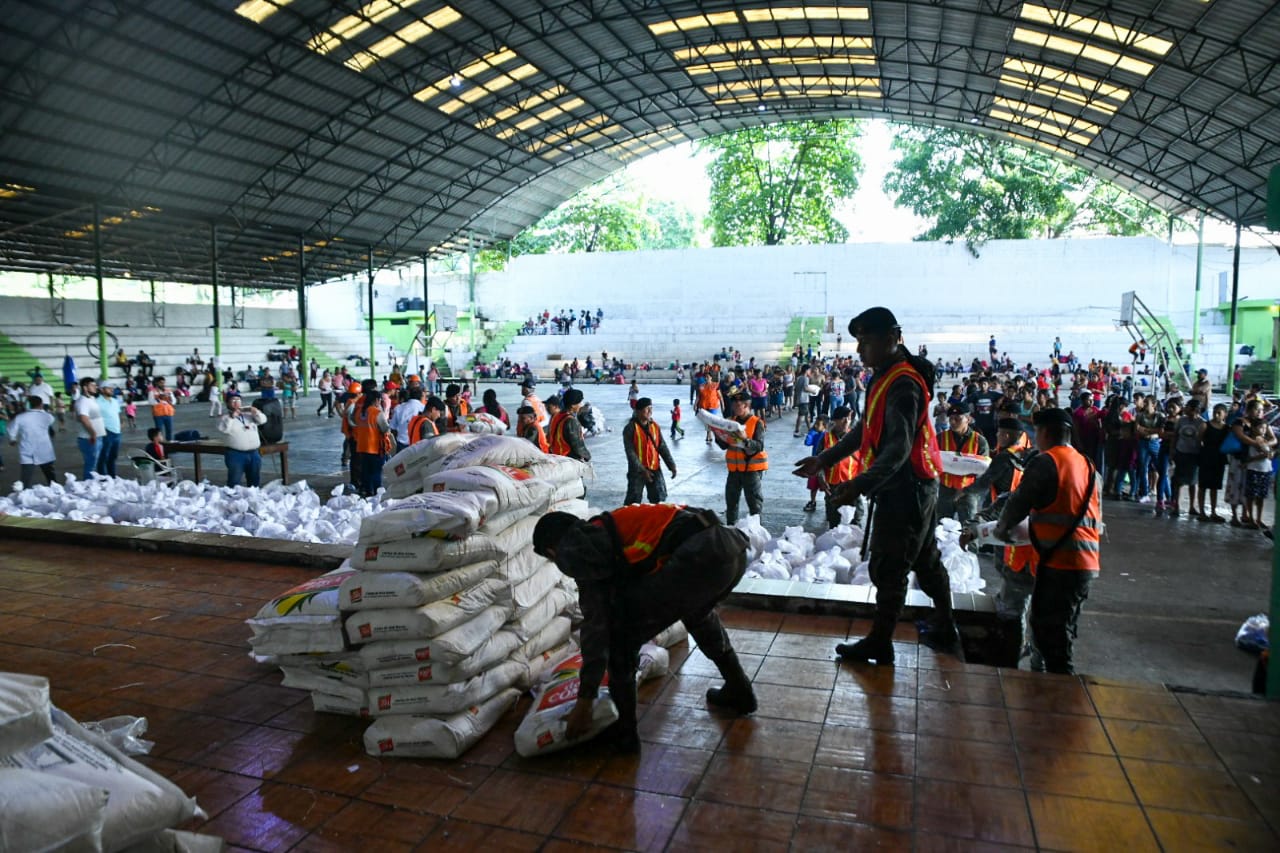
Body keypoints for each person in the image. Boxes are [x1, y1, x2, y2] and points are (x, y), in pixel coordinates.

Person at [793, 307, 959, 665]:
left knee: (891, 566)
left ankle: (882, 641)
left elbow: (898, 449)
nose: (858, 350)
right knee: (925, 560)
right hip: (908, 484)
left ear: (891, 339)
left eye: (865, 342)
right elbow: (864, 431)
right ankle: (946, 623)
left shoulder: (903, 384)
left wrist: (856, 485)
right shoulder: (884, 376)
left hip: (908, 488)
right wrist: (824, 459)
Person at [532, 504, 756, 753]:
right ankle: (739, 689)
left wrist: (584, 702)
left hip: (698, 557)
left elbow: (596, 628)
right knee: (698, 614)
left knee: (620, 640)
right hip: (730, 549)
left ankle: (624, 735)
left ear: (552, 550)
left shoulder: (575, 549)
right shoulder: (603, 528)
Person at [993, 407, 1101, 675]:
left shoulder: (1046, 461)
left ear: (1043, 433)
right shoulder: (1087, 464)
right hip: (1086, 563)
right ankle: (1053, 684)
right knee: (1060, 628)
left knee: (1050, 632)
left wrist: (1002, 529)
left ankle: (1058, 694)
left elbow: (1018, 502)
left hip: (1061, 561)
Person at [961, 418, 1039, 668]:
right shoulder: (1027, 455)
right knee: (1033, 612)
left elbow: (1001, 503)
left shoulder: (1009, 460)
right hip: (1047, 562)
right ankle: (1034, 658)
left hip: (1030, 558)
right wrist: (975, 526)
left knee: (1014, 610)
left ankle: (1017, 658)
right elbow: (1003, 503)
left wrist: (976, 524)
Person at [717, 392, 766, 524]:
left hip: (751, 470)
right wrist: (718, 435)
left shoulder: (757, 423)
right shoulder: (730, 422)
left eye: (737, 405)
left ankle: (757, 533)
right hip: (734, 470)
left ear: (746, 405)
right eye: (733, 404)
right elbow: (724, 445)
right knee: (731, 504)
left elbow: (759, 445)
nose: (734, 407)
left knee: (755, 505)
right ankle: (731, 532)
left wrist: (745, 439)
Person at [937, 403, 990, 522]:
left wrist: (969, 490)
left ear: (968, 419)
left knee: (968, 528)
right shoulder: (940, 438)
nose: (953, 422)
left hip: (968, 493)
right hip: (945, 490)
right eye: (950, 419)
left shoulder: (979, 441)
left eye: (958, 419)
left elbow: (985, 472)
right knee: (942, 529)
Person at [622, 398, 677, 505]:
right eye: (647, 409)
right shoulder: (630, 428)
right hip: (637, 471)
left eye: (651, 408)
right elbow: (631, 454)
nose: (650, 411)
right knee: (633, 501)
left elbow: (662, 447)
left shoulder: (654, 426)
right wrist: (643, 470)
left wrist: (671, 465)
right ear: (638, 411)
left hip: (654, 468)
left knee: (659, 499)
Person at [348, 379, 391, 497]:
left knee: (365, 471)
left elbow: (352, 420)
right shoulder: (377, 413)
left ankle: (367, 491)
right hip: (375, 447)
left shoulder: (360, 410)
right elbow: (385, 428)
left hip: (362, 445)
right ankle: (377, 492)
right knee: (376, 471)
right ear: (376, 400)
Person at [820, 406, 861, 529]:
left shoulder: (855, 437)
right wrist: (821, 479)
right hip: (833, 486)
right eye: (843, 419)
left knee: (856, 517)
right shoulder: (826, 438)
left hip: (852, 483)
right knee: (834, 518)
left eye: (848, 419)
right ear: (835, 421)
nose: (846, 422)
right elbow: (818, 461)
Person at [218, 395, 267, 488]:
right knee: (234, 480)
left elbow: (263, 420)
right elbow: (224, 429)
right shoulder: (224, 417)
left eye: (238, 400)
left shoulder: (248, 415)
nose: (236, 403)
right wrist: (232, 417)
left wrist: (256, 412)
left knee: (254, 479)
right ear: (228, 403)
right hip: (236, 454)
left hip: (254, 453)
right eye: (233, 400)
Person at [9, 395, 56, 485]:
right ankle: (56, 491)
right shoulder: (47, 416)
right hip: (44, 449)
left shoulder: (20, 417)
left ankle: (24, 493)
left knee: (26, 476)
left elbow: (12, 428)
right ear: (41, 404)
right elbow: (51, 420)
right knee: (50, 475)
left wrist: (12, 439)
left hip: (27, 449)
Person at [1195, 403, 1229, 522]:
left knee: (1214, 486)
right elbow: (1198, 440)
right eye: (1215, 412)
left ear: (1225, 414)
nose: (1216, 414)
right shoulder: (1205, 425)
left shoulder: (1227, 428)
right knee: (1203, 485)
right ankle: (1202, 511)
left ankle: (1213, 511)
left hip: (1219, 459)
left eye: (1219, 412)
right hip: (1206, 457)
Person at [74, 376, 104, 480]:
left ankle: (93, 484)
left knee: (94, 463)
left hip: (97, 436)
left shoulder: (91, 398)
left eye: (95, 385)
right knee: (91, 464)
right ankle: (88, 485)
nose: (95, 387)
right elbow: (83, 418)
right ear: (85, 388)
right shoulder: (82, 401)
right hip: (89, 438)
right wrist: (93, 433)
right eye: (92, 385)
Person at [547, 389, 591, 461]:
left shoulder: (557, 416)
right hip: (567, 459)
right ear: (573, 405)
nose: (580, 406)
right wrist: (587, 456)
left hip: (555, 456)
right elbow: (577, 445)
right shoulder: (571, 421)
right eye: (579, 403)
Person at [95, 386, 123, 478]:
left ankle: (112, 476)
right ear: (102, 389)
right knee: (103, 456)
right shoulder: (97, 402)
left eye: (112, 388)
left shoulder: (115, 401)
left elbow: (118, 414)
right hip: (106, 432)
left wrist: (120, 423)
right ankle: (102, 478)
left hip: (117, 431)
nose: (112, 390)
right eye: (108, 388)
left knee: (113, 456)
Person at [388, 385, 426, 453]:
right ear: (421, 397)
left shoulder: (399, 407)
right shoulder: (424, 408)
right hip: (418, 445)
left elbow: (392, 428)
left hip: (401, 444)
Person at [149, 377, 175, 443]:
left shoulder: (168, 391)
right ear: (156, 383)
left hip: (169, 413)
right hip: (158, 414)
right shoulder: (152, 392)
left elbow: (174, 401)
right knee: (159, 431)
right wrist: (160, 399)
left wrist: (168, 399)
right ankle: (160, 445)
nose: (163, 384)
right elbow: (151, 402)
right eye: (161, 383)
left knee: (169, 430)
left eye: (163, 383)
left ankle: (170, 445)